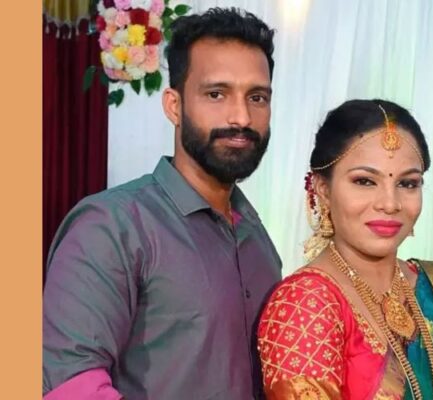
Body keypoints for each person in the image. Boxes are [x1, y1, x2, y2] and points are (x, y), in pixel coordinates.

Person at [43, 8, 281, 399]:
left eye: (257, 97)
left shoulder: (258, 240)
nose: (241, 117)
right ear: (174, 105)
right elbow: (71, 382)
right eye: (216, 94)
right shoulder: (112, 227)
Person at [257, 99, 433, 399]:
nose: (390, 204)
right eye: (365, 181)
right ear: (323, 189)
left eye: (408, 184)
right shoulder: (305, 303)